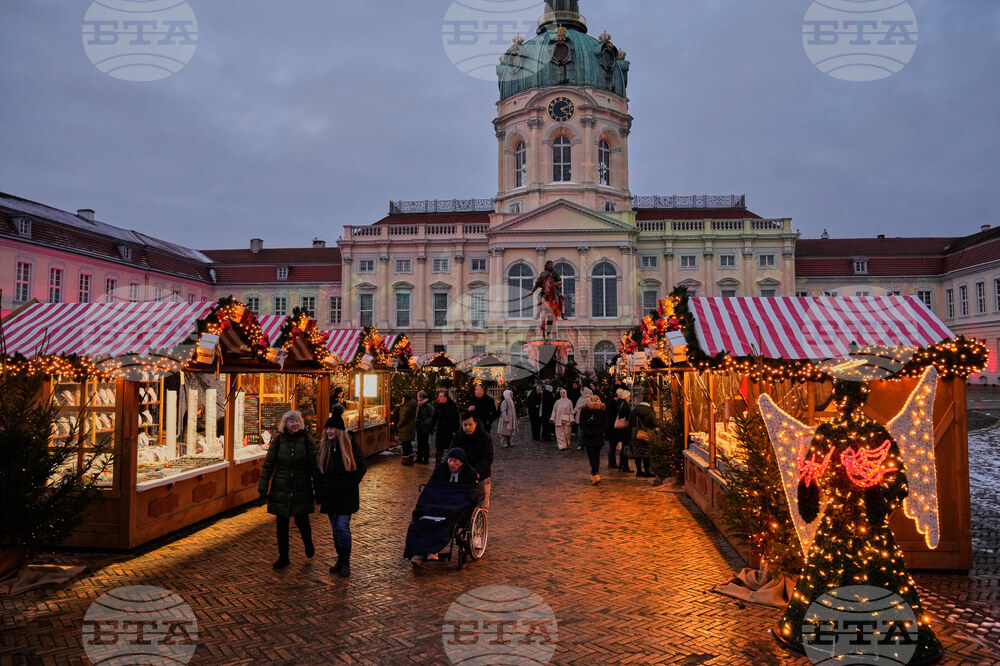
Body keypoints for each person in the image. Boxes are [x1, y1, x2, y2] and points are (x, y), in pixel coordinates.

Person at [258, 410, 319, 569]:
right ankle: (283, 556)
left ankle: (308, 543)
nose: (295, 424)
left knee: (302, 520)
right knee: (281, 524)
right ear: (285, 424)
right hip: (281, 487)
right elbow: (268, 465)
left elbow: (315, 466)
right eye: (291, 421)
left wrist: (318, 489)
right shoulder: (278, 442)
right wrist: (262, 489)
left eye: (297, 421)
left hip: (301, 486)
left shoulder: (307, 441)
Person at [405, 448, 480, 564]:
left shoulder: (470, 473)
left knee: (443, 521)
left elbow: (469, 494)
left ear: (462, 462)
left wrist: (454, 503)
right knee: (421, 520)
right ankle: (417, 552)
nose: (452, 464)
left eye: (455, 461)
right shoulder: (441, 469)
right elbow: (431, 488)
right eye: (450, 460)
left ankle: (432, 550)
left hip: (454, 506)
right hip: (436, 504)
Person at [315, 408, 367, 577]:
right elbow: (318, 472)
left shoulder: (350, 446)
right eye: (327, 428)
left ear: (338, 430)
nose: (329, 431)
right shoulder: (324, 448)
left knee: (342, 526)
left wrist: (351, 484)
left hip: (346, 495)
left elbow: (361, 467)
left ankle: (345, 562)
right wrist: (320, 491)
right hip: (330, 495)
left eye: (332, 428)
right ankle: (340, 558)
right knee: (335, 529)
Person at [452, 411, 493, 508]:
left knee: (481, 507)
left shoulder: (485, 438)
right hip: (463, 475)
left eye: (470, 424)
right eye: (465, 425)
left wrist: (477, 472)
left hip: (481, 476)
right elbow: (452, 453)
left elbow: (487, 458)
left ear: (476, 423)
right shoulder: (458, 436)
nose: (467, 427)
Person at [579, 393, 606, 484]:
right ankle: (595, 473)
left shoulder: (585, 410)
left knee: (591, 456)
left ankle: (595, 473)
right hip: (598, 436)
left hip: (588, 436)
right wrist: (599, 432)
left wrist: (589, 432)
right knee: (596, 456)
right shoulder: (602, 411)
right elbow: (605, 424)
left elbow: (582, 423)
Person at [631, 398, 658, 478]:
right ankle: (647, 472)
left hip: (635, 432)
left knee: (637, 452)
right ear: (649, 402)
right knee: (646, 453)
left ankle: (639, 471)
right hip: (646, 432)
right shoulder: (650, 412)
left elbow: (630, 422)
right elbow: (654, 423)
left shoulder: (634, 410)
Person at [433, 390, 461, 464]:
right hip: (440, 431)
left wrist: (455, 430)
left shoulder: (452, 406)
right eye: (439, 396)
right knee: (439, 449)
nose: (439, 398)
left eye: (441, 396)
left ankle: (449, 464)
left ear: (445, 397)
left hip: (449, 431)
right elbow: (435, 417)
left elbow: (456, 419)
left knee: (450, 448)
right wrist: (431, 427)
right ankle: (438, 465)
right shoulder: (438, 406)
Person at [612, 390, 633, 473]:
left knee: (624, 447)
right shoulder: (625, 405)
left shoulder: (620, 404)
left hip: (621, 429)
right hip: (624, 429)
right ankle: (624, 465)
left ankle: (622, 465)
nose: (630, 398)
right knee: (625, 447)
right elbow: (628, 417)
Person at [414, 390, 435, 464]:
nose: (418, 398)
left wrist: (426, 423)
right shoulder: (419, 405)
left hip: (425, 428)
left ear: (422, 397)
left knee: (425, 443)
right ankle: (419, 457)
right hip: (419, 427)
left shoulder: (428, 406)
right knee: (419, 443)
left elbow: (432, 416)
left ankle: (426, 458)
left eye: (419, 397)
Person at [397, 392, 418, 466]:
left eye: (403, 398)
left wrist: (398, 425)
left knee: (405, 445)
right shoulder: (412, 405)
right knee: (408, 444)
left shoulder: (406, 407)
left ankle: (406, 460)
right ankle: (410, 459)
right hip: (410, 427)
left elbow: (403, 419)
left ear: (405, 398)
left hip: (405, 428)